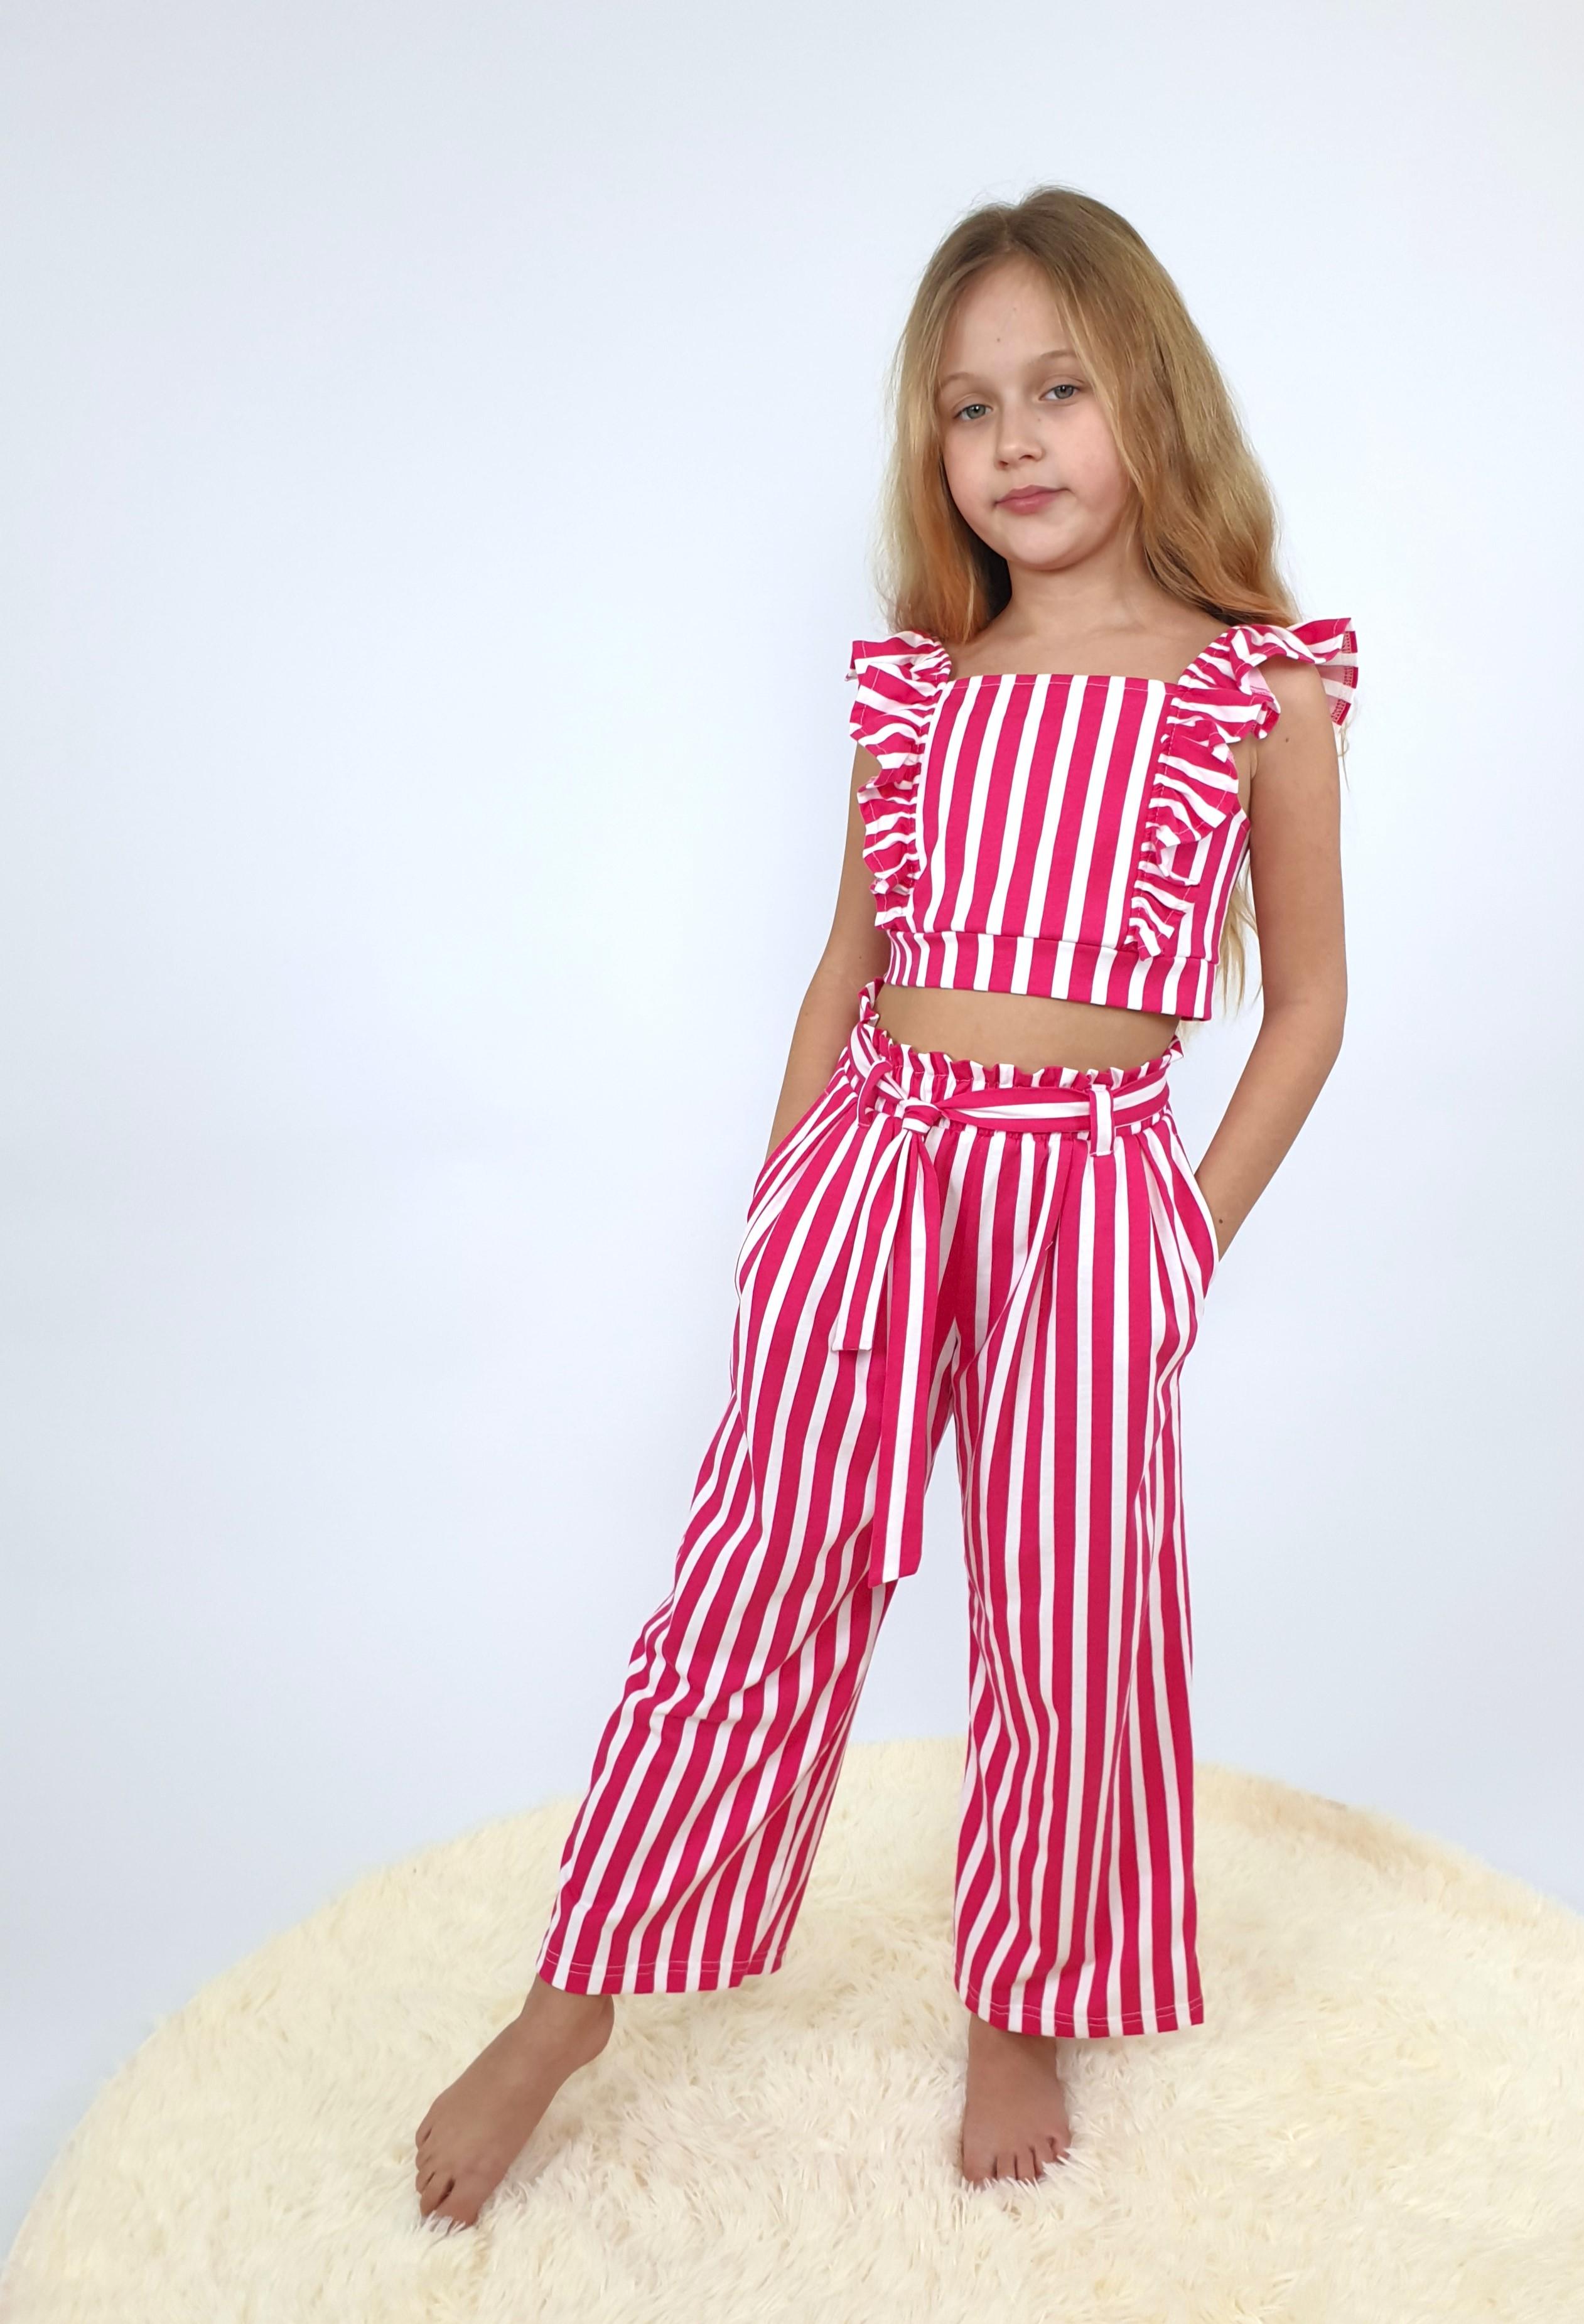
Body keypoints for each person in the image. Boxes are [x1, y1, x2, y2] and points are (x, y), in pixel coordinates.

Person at [413, 183, 1358, 2225]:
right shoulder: (922, 690)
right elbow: (844, 969)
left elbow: (1311, 1004)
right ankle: (576, 1996)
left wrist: (1182, 1236)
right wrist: (785, 1206)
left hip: (1093, 1193)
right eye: (967, 407)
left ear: (1154, 400)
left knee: (1073, 1607)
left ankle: (1027, 1991)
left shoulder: (1254, 691)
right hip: (879, 1163)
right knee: (759, 1568)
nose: (1014, 442)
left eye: (1060, 390)